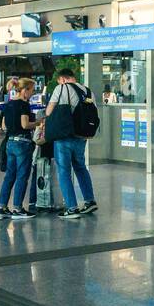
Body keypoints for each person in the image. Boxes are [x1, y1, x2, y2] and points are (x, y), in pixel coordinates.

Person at [44, 67, 97, 219]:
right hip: (81, 136)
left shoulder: (61, 88)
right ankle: (89, 201)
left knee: (64, 171)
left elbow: (49, 111)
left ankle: (72, 208)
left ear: (62, 79)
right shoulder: (88, 91)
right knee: (80, 167)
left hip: (64, 136)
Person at [0, 78, 38, 221]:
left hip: (10, 143)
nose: (32, 94)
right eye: (32, 90)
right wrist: (39, 123)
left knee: (9, 176)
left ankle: (2, 207)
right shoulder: (23, 104)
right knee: (22, 176)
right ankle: (17, 208)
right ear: (25, 90)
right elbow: (25, 125)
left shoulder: (8, 104)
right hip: (22, 143)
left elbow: (3, 126)